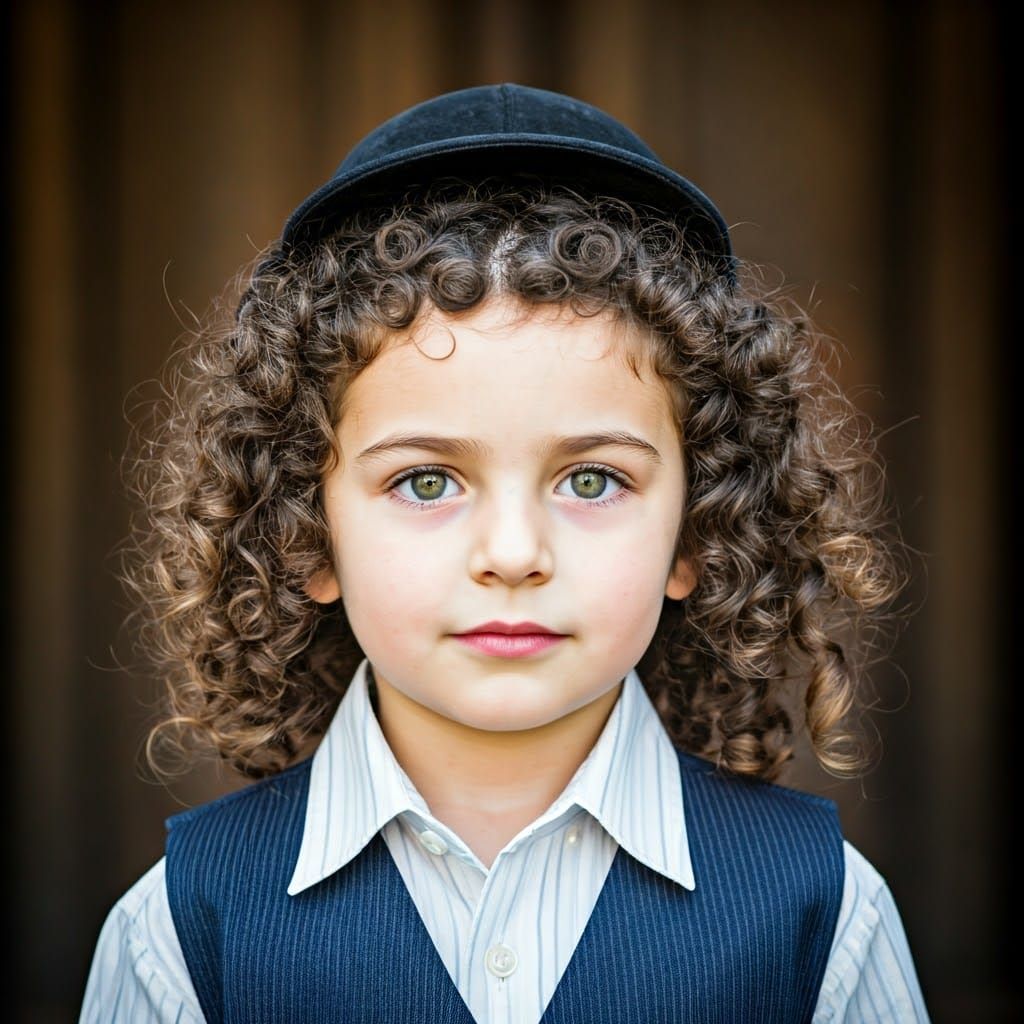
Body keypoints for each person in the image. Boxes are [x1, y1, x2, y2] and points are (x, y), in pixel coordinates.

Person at [79, 83, 930, 1023]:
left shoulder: (825, 916)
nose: (515, 554)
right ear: (304, 536)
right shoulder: (181, 930)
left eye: (593, 480)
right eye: (427, 482)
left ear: (695, 533)